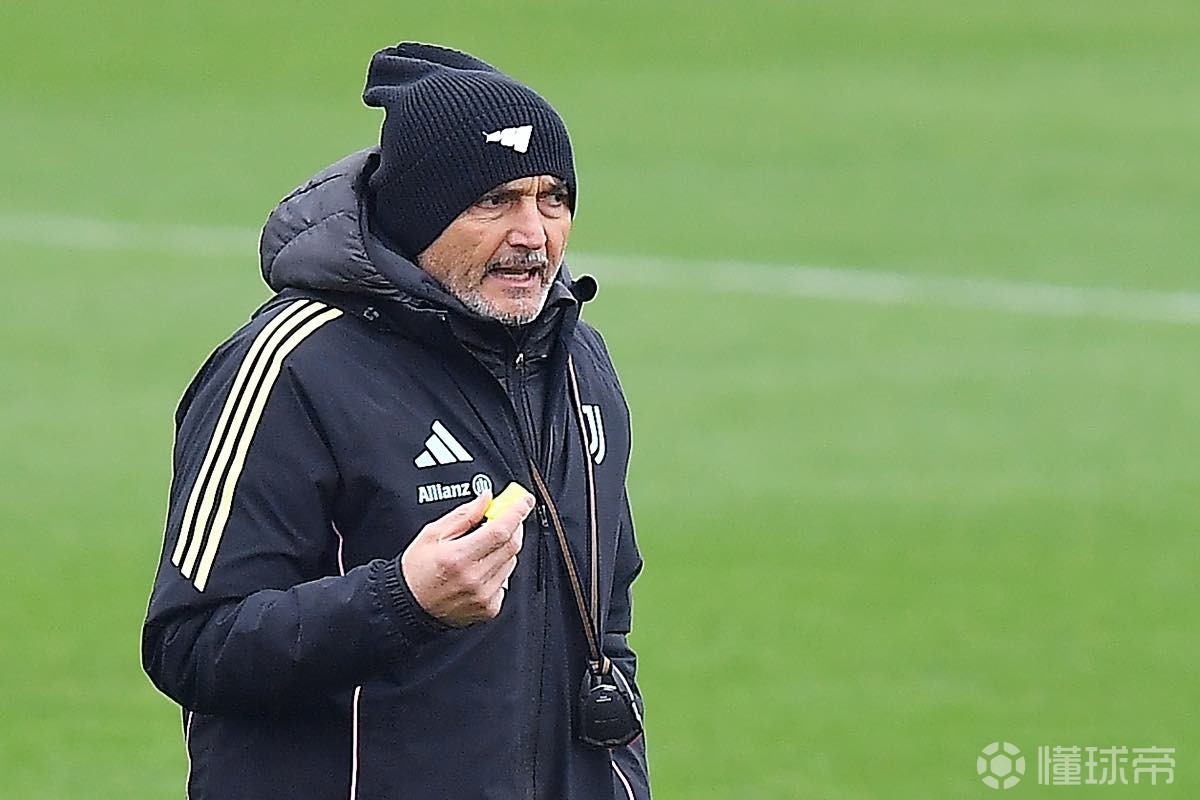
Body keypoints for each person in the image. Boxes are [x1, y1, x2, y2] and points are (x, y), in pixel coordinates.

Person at [141, 42, 650, 799]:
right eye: (495, 200)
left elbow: (605, 625)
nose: (533, 234)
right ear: (419, 213)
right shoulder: (293, 367)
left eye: (553, 198)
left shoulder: (577, 363)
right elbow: (191, 644)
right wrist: (402, 601)